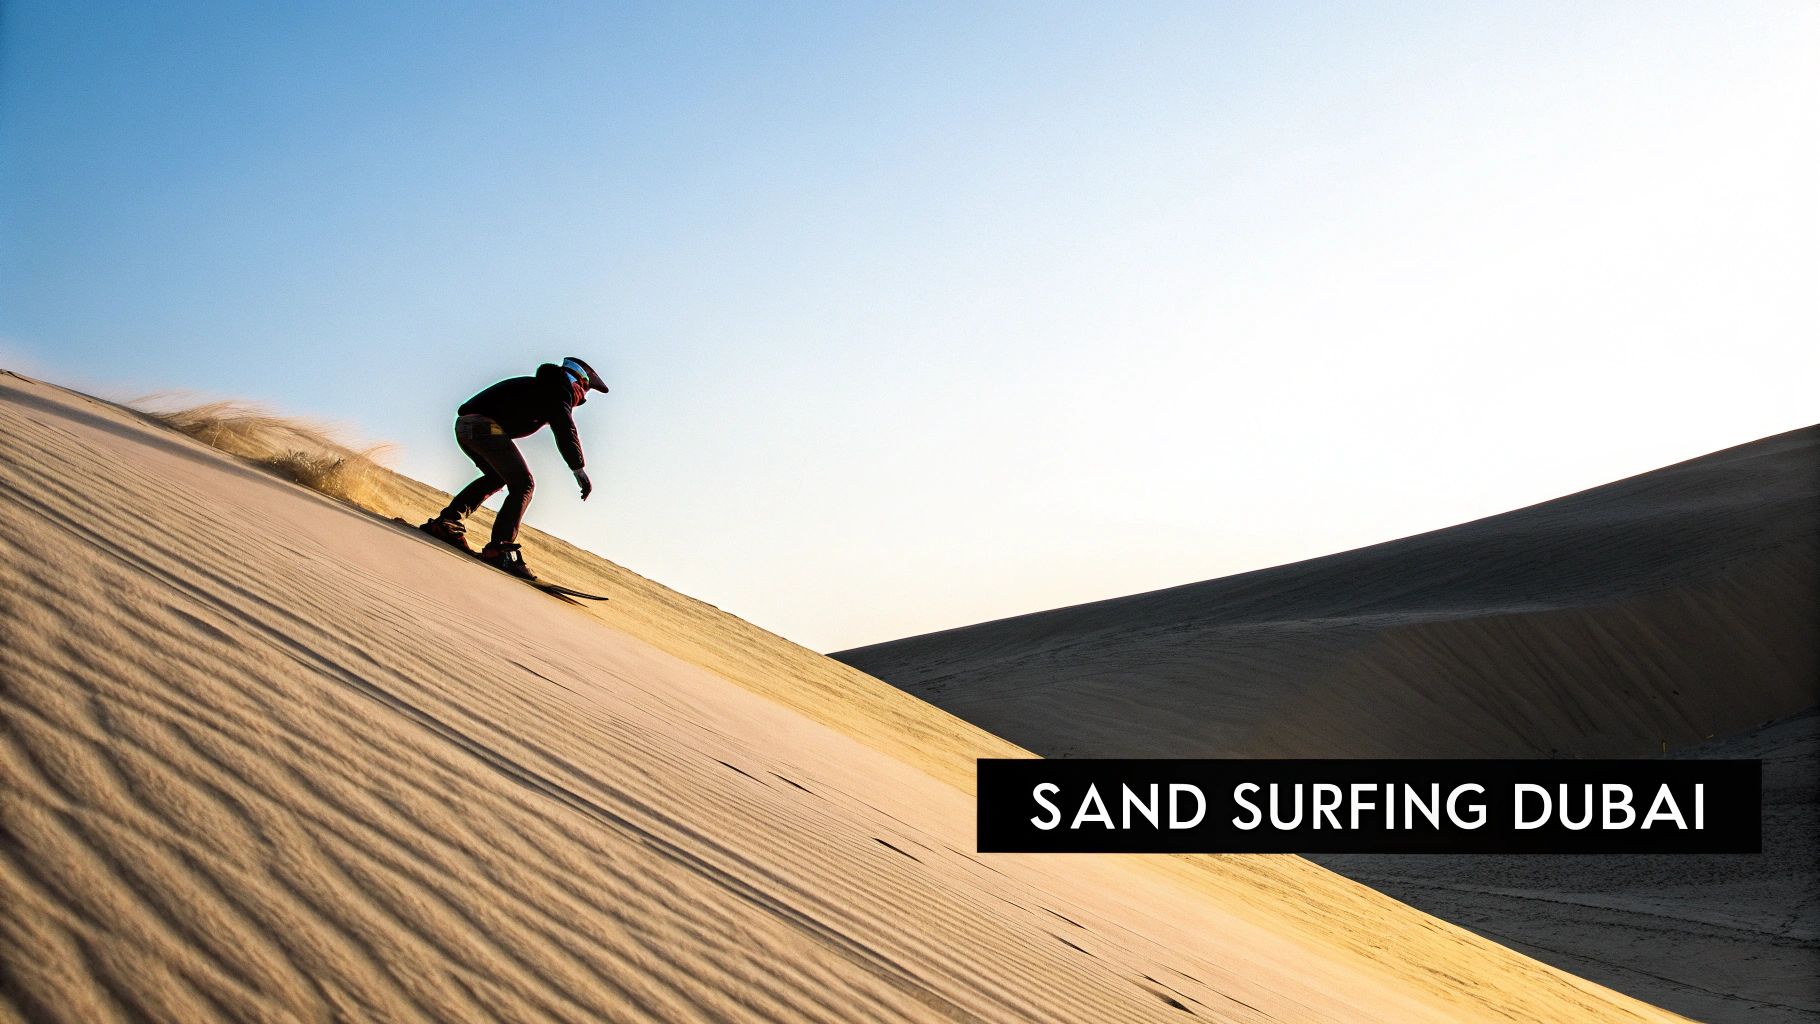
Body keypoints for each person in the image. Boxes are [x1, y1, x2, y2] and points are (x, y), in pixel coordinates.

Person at [419, 357, 608, 580]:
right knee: (524, 484)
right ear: (577, 381)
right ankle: (500, 550)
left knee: (497, 478)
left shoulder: (544, 388)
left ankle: (448, 523)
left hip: (466, 426)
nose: (580, 400)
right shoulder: (558, 388)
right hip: (482, 426)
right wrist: (578, 469)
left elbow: (559, 420)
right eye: (584, 393)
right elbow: (564, 426)